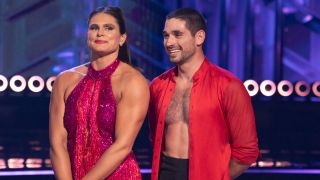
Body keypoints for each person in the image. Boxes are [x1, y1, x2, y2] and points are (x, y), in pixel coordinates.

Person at [148, 8, 259, 180]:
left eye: (177, 35)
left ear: (199, 37)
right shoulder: (158, 85)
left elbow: (247, 152)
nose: (169, 42)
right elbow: (155, 137)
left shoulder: (229, 86)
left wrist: (217, 177)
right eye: (166, 35)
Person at [49, 6, 149, 180]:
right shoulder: (64, 80)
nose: (100, 33)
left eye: (108, 28)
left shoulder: (133, 81)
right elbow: (57, 143)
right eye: (94, 28)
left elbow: (122, 146)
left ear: (122, 38)